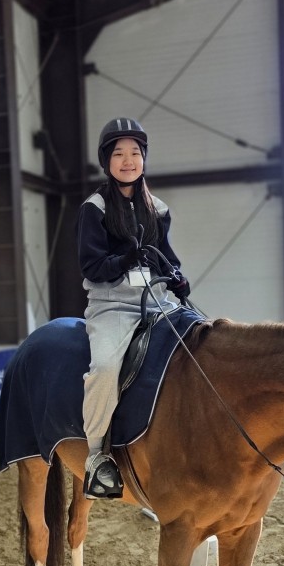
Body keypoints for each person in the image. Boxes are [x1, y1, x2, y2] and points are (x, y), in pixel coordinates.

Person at [77, 117, 190, 500]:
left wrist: (176, 277)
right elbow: (92, 267)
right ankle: (97, 457)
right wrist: (125, 259)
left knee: (200, 346)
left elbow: (166, 256)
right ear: (106, 160)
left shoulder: (158, 209)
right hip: (112, 305)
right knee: (106, 367)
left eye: (135, 153)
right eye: (119, 154)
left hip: (158, 301)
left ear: (144, 158)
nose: (128, 161)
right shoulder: (94, 208)